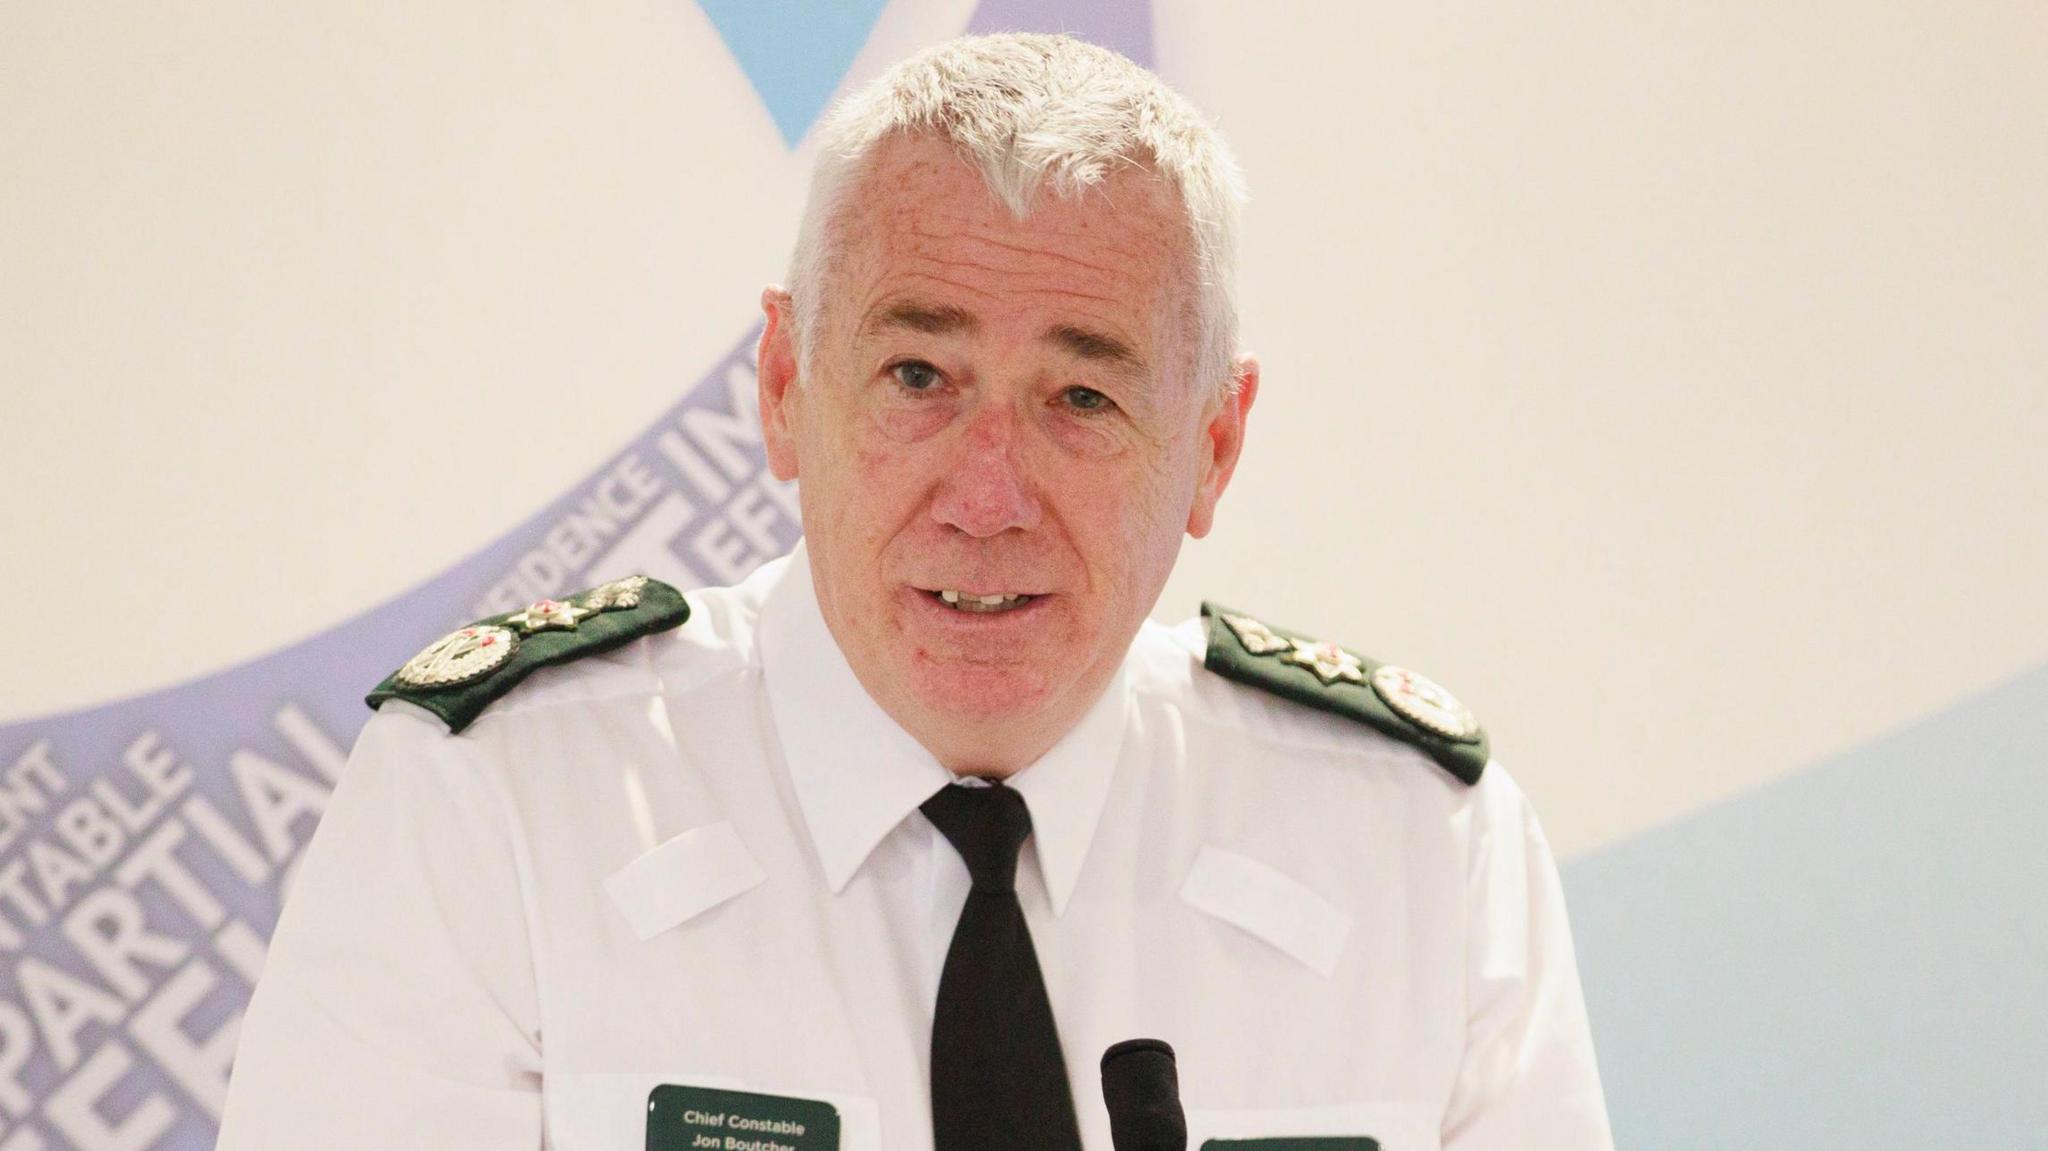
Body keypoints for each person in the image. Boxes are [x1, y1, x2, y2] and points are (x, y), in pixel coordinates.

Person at [217, 32, 1613, 1151]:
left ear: (1214, 446)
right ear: (782, 389)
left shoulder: (1421, 849)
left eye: (1082, 396)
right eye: (918, 378)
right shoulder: (498, 813)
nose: (988, 493)